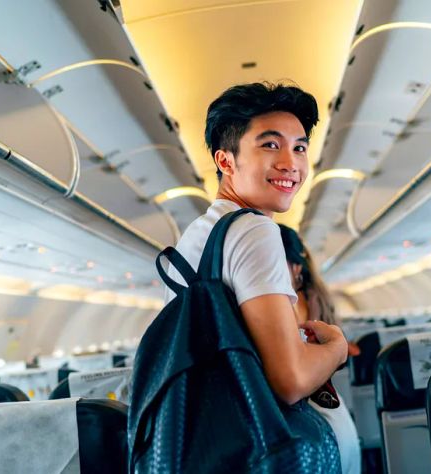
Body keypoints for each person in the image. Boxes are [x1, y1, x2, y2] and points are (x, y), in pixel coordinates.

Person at [164, 82, 348, 407]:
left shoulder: (197, 233)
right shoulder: (253, 230)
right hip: (251, 443)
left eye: (300, 148)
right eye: (270, 145)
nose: (290, 163)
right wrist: (337, 348)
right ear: (226, 161)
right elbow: (290, 381)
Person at [279, 224, 362, 474]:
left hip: (315, 411)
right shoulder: (313, 294)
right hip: (331, 407)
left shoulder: (294, 302)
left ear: (295, 267)